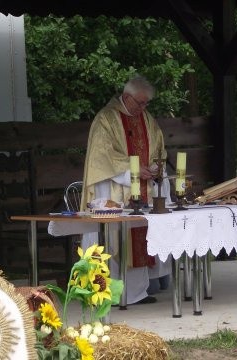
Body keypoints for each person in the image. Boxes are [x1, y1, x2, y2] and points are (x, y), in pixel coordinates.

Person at [81, 75, 170, 304]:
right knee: (116, 240)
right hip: (113, 189)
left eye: (147, 103)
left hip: (143, 188)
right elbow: (102, 156)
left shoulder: (147, 119)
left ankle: (137, 292)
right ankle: (109, 293)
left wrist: (152, 168)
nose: (144, 107)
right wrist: (131, 171)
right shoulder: (106, 119)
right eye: (140, 103)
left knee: (138, 237)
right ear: (127, 96)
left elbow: (158, 148)